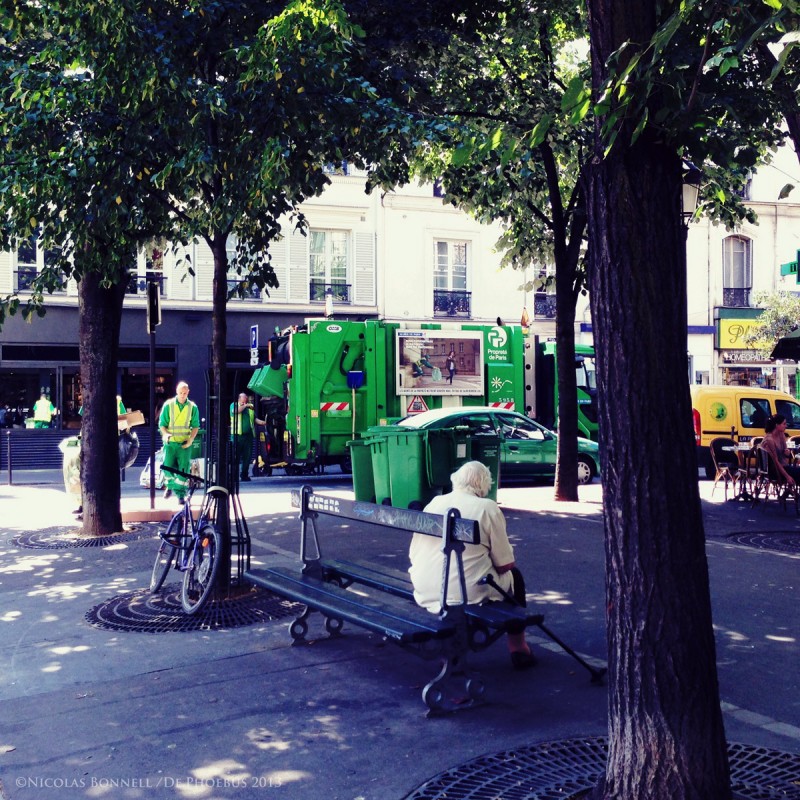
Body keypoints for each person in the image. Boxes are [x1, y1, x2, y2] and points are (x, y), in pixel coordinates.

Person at [408, 460, 537, 670]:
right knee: (516, 577)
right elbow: (505, 564)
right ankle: (518, 647)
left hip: (425, 585)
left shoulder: (435, 503)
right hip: (465, 592)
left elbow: (414, 552)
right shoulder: (487, 507)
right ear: (484, 484)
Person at [159, 381, 200, 504]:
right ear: (177, 392)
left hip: (184, 444)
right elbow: (162, 425)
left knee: (183, 471)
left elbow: (196, 426)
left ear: (188, 392)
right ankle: (171, 487)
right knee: (167, 468)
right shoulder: (168, 405)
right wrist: (166, 435)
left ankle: (180, 496)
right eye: (180, 393)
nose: (182, 395)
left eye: (185, 393)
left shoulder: (193, 407)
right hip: (170, 444)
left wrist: (191, 440)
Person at [230, 393, 264, 482]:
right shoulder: (234, 405)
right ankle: (233, 476)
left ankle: (244, 475)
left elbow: (254, 419)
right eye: (244, 397)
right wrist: (245, 406)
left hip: (248, 436)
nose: (246, 398)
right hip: (237, 436)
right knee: (235, 456)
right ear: (239, 398)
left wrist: (264, 422)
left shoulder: (250, 408)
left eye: (246, 397)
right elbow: (236, 411)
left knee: (247, 457)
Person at [760, 413, 800, 485]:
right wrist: (787, 477)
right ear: (776, 425)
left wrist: (786, 452)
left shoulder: (781, 434)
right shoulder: (769, 440)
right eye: (784, 424)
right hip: (775, 470)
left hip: (784, 466)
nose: (786, 426)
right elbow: (776, 462)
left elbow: (785, 449)